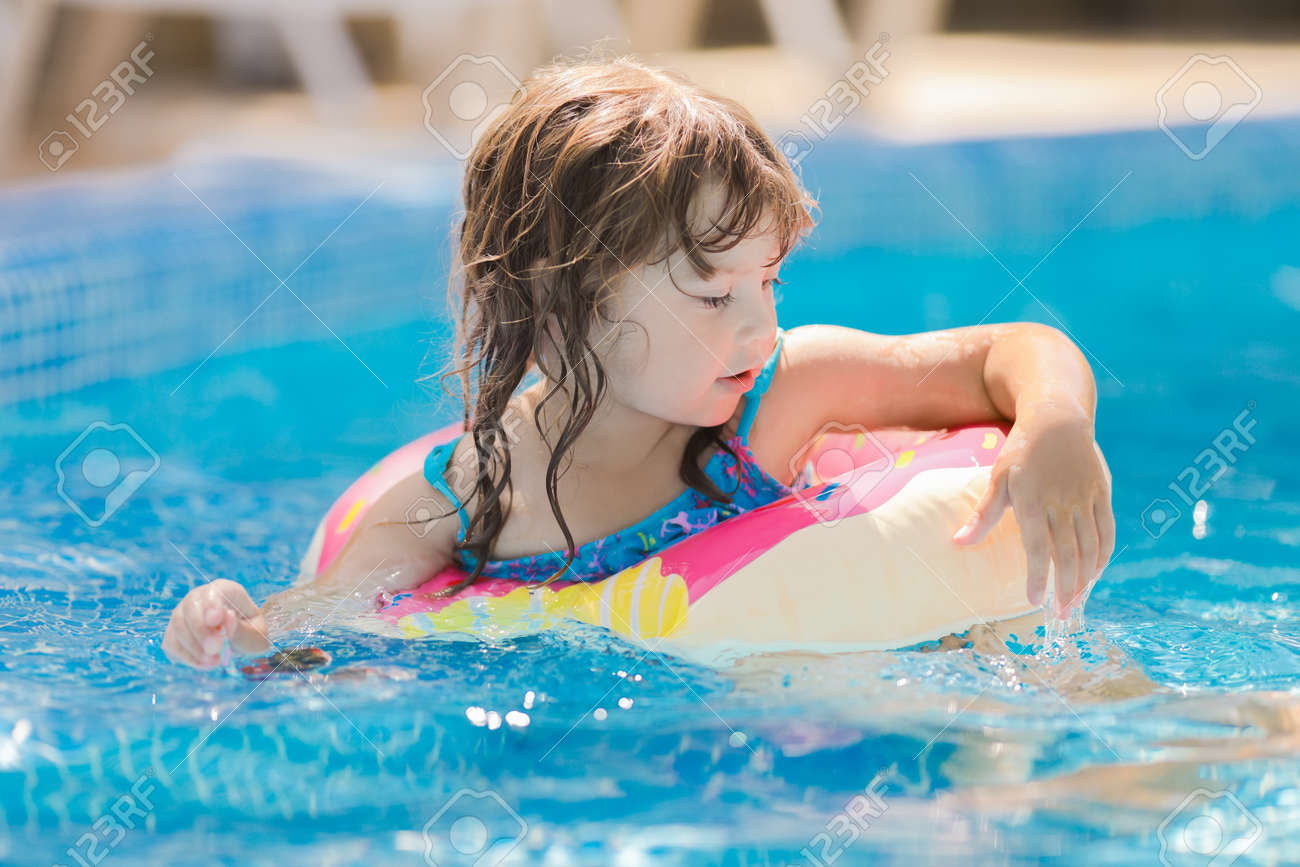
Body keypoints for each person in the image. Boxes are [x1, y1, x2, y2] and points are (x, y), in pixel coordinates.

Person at [163, 58, 1114, 670]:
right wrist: (236, 631)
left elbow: (1010, 352)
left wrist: (1057, 423)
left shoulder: (786, 396)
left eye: (770, 280)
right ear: (563, 302)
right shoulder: (474, 494)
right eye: (712, 296)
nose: (756, 328)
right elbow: (326, 618)